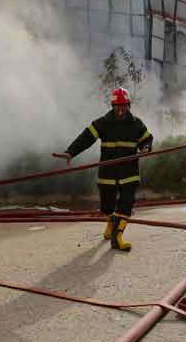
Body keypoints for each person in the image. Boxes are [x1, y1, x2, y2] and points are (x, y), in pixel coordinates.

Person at [61, 87, 152, 251]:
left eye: (124, 105)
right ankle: (110, 224)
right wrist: (70, 152)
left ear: (129, 105)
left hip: (129, 173)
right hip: (108, 173)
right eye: (118, 106)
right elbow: (86, 138)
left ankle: (117, 237)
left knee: (126, 203)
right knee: (107, 205)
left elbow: (147, 139)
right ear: (112, 106)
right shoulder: (103, 122)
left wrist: (146, 147)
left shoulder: (136, 124)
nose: (121, 109)